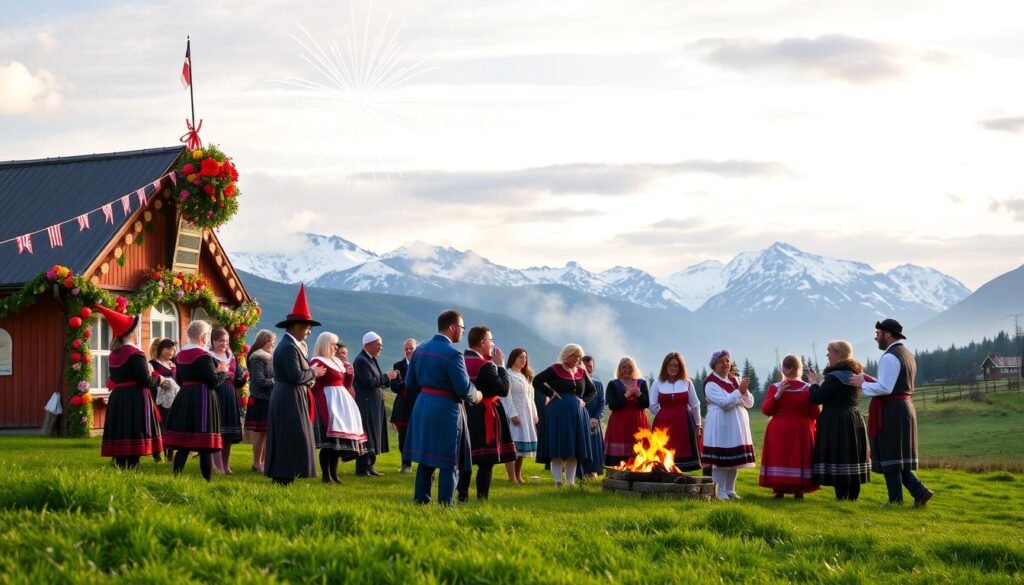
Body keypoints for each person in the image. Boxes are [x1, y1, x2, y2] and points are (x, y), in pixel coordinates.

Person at [850, 319, 934, 508]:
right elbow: (893, 384)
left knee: (891, 456)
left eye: (878, 333)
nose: (876, 337)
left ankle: (896, 500)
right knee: (898, 457)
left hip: (892, 410)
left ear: (887, 334)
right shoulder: (907, 355)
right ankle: (920, 492)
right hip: (904, 408)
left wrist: (861, 384)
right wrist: (870, 381)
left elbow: (886, 387)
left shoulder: (889, 357)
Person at [404, 310, 482, 505]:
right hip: (446, 409)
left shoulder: (420, 350)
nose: (462, 332)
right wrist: (477, 395)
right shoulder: (454, 354)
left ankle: (420, 501)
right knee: (449, 460)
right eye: (462, 328)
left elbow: (410, 383)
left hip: (422, 405)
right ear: (452, 327)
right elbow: (464, 388)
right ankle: (446, 503)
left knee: (425, 458)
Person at [264, 285, 327, 485]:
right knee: (290, 434)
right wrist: (314, 372)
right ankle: (284, 475)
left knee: (290, 435)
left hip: (289, 395)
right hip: (289, 396)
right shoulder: (289, 347)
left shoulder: (290, 345)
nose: (309, 332)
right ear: (297, 326)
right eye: (308, 327)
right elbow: (296, 375)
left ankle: (286, 474)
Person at [97, 306, 163, 469]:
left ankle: (120, 466)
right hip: (135, 398)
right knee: (133, 432)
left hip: (119, 397)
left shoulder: (114, 354)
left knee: (122, 430)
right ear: (132, 333)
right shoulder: (135, 354)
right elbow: (145, 381)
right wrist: (159, 379)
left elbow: (115, 377)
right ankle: (131, 467)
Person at [164, 319, 229, 481]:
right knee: (205, 444)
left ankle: (176, 477)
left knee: (184, 442)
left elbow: (179, 378)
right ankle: (207, 481)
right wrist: (222, 371)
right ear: (203, 336)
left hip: (185, 396)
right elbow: (213, 381)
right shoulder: (203, 356)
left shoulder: (180, 355)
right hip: (203, 398)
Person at [806, 340, 870, 501]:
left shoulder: (835, 377)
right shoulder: (855, 374)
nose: (827, 355)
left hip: (836, 420)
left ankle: (841, 496)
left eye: (829, 352)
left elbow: (817, 398)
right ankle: (853, 497)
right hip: (854, 418)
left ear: (838, 354)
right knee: (852, 456)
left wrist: (813, 383)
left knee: (839, 455)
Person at [457, 326, 515, 501]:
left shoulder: (460, 360)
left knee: (465, 456)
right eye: (491, 340)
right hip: (484, 413)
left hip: (463, 410)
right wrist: (501, 366)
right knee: (485, 460)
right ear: (483, 342)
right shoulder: (486, 366)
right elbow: (503, 389)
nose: (492, 344)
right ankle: (482, 498)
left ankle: (462, 495)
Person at [533, 344, 597, 487]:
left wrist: (584, 400)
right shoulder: (555, 369)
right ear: (567, 355)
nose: (577, 359)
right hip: (557, 413)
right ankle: (557, 482)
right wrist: (551, 393)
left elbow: (592, 390)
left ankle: (570, 482)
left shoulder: (581, 371)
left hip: (577, 415)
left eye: (579, 356)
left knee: (573, 448)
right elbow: (536, 381)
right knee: (557, 447)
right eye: (574, 355)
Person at [310, 332, 369, 484]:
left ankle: (334, 474)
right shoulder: (318, 361)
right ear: (324, 344)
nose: (335, 347)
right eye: (332, 344)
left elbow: (345, 384)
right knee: (329, 443)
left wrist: (349, 374)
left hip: (341, 401)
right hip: (329, 401)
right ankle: (325, 476)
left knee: (337, 444)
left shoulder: (336, 361)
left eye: (336, 344)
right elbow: (313, 384)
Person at [759, 354, 820, 499]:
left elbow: (766, 410)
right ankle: (799, 490)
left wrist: (777, 397)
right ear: (799, 368)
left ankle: (779, 489)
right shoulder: (808, 388)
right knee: (798, 457)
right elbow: (815, 413)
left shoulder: (775, 388)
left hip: (778, 429)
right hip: (801, 429)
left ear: (783, 368)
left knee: (779, 457)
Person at [702, 349, 755, 500]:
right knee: (721, 460)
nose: (725, 364)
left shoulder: (736, 379)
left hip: (737, 422)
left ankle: (730, 490)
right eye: (721, 361)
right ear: (714, 365)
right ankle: (720, 492)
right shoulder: (710, 383)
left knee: (734, 460)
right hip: (721, 422)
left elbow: (749, 403)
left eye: (727, 360)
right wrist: (739, 393)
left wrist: (742, 393)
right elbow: (724, 403)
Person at [353, 331, 398, 476]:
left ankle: (370, 466)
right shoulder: (361, 361)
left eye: (381, 345)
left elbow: (377, 381)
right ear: (368, 345)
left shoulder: (370, 359)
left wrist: (388, 379)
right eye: (378, 345)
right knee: (367, 434)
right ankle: (362, 467)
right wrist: (386, 376)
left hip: (374, 403)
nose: (380, 348)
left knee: (374, 434)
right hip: (366, 404)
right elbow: (369, 382)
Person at [648, 352, 702, 472]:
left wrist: (698, 424)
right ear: (665, 367)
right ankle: (664, 476)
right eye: (670, 365)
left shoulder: (687, 382)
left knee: (682, 449)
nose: (673, 368)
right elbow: (652, 405)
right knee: (663, 450)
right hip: (663, 424)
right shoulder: (657, 383)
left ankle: (680, 479)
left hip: (684, 422)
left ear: (680, 367)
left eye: (676, 365)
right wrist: (664, 415)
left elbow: (695, 404)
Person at [209, 328, 248, 475]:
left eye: (226, 341)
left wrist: (243, 378)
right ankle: (215, 465)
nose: (224, 344)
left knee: (229, 435)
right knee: (217, 431)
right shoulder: (210, 357)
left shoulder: (231, 357)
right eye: (221, 341)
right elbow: (210, 378)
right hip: (217, 394)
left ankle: (225, 464)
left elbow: (237, 380)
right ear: (213, 341)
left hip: (230, 395)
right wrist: (218, 371)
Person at [500, 348, 539, 483]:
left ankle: (518, 474)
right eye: (520, 357)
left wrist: (534, 414)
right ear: (513, 358)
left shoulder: (526, 376)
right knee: (513, 447)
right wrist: (512, 413)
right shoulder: (508, 374)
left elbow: (531, 397)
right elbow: (506, 396)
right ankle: (512, 477)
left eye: (525, 358)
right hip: (516, 412)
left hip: (527, 414)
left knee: (522, 447)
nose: (523, 360)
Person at [604, 357, 650, 467]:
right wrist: (626, 395)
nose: (626, 370)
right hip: (619, 421)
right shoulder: (613, 384)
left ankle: (639, 472)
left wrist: (639, 395)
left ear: (634, 369)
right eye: (623, 367)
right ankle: (618, 473)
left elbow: (646, 404)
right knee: (620, 453)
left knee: (639, 450)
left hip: (638, 420)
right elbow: (612, 406)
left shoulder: (642, 383)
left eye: (629, 367)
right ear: (619, 369)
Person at [245, 329, 275, 473]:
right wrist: (277, 381)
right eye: (271, 341)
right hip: (260, 399)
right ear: (264, 342)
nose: (273, 344)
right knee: (261, 433)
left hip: (268, 398)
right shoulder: (257, 358)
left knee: (266, 433)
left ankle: (263, 462)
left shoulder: (268, 357)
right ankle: (257, 463)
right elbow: (260, 380)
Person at [390, 338, 418, 473]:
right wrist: (406, 383)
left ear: (416, 349)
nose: (408, 351)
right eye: (406, 349)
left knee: (420, 435)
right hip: (403, 407)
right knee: (403, 437)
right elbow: (394, 387)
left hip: (418, 405)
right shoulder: (398, 366)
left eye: (411, 348)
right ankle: (406, 464)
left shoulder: (421, 364)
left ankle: (424, 464)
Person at [149, 337, 179, 462]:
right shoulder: (153, 364)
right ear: (161, 349)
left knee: (171, 425)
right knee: (157, 426)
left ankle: (170, 455)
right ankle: (156, 455)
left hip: (171, 400)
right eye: (168, 349)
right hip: (157, 399)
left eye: (173, 349)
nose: (171, 351)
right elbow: (151, 381)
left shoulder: (173, 365)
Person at [579, 356, 606, 479]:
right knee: (579, 447)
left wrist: (596, 417)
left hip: (593, 420)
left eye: (590, 366)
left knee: (593, 447)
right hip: (579, 420)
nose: (587, 368)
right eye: (585, 365)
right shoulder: (576, 382)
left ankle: (592, 472)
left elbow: (601, 403)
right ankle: (578, 472)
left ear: (593, 368)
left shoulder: (598, 383)